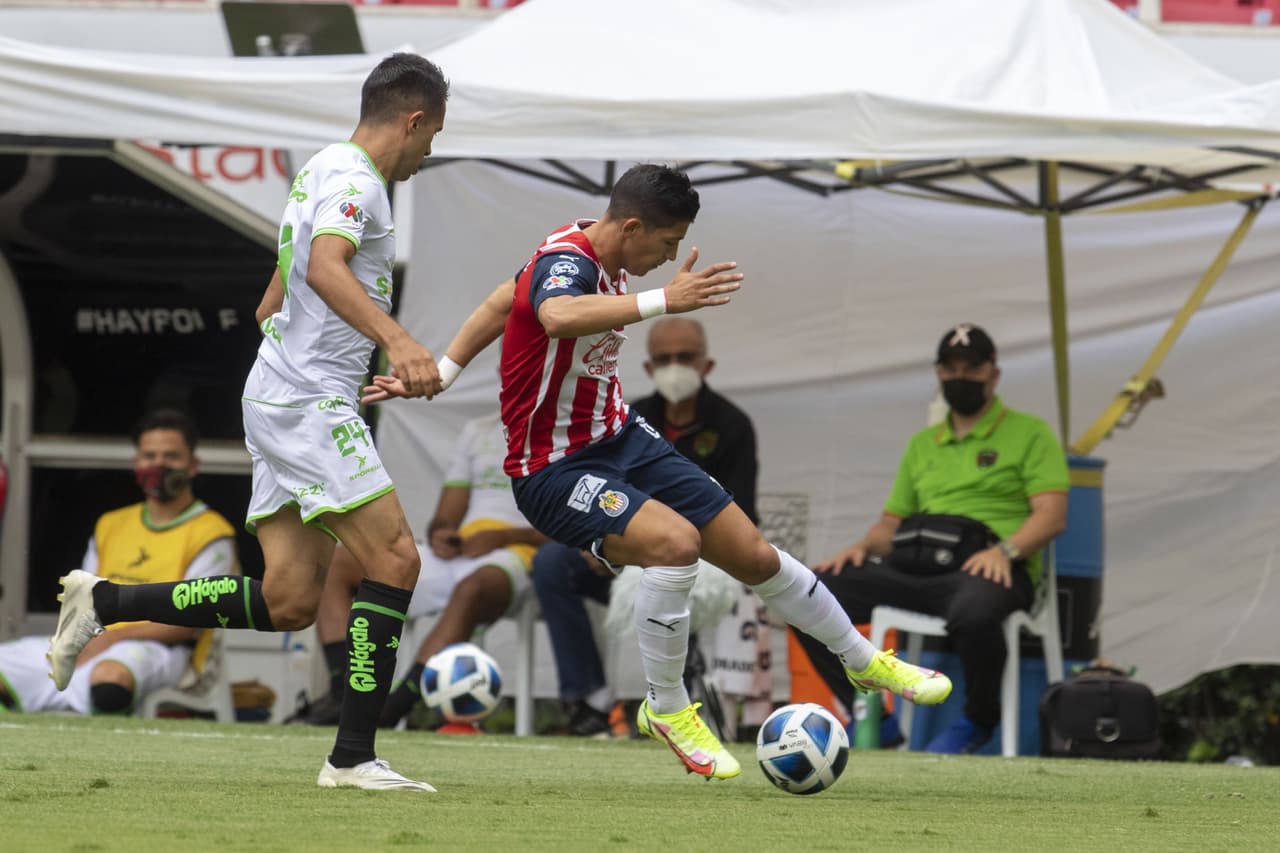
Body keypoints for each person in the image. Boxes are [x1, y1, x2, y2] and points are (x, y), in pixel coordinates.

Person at [365, 163, 952, 780]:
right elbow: (556, 315)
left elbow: (501, 298)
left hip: (619, 437)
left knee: (753, 553)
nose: (670, 257)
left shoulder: (601, 253)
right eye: (667, 244)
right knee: (677, 545)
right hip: (553, 469)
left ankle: (861, 660)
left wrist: (447, 371)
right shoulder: (568, 260)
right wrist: (664, 300)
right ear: (634, 225)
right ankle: (667, 707)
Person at [47, 52, 450, 792]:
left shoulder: (322, 167)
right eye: (433, 136)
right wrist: (395, 338)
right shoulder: (362, 180)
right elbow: (326, 268)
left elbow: (281, 288)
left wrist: (307, 346)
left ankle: (103, 601)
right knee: (395, 560)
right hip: (305, 396)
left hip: (279, 387)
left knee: (290, 598)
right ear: (414, 117)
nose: (430, 152)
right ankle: (353, 757)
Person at [793, 323, 1069, 754]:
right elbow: (890, 525)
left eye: (971, 368)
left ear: (993, 374)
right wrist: (862, 548)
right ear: (938, 374)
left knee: (976, 613)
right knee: (806, 593)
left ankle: (978, 720)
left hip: (989, 567)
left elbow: (1052, 516)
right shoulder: (923, 443)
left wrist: (1005, 551)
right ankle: (871, 714)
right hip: (917, 568)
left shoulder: (1030, 433)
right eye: (951, 368)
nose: (961, 377)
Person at [530, 316, 759, 737]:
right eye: (664, 358)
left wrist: (649, 546)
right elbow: (605, 492)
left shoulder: (732, 426)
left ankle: (677, 703)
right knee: (551, 564)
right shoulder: (626, 419)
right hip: (622, 548)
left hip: (697, 558)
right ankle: (590, 700)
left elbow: (742, 517)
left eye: (685, 357)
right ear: (649, 367)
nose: (675, 366)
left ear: (707, 364)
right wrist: (598, 541)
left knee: (679, 563)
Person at [297, 410, 546, 729]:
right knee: (341, 561)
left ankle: (395, 707)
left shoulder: (565, 431)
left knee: (473, 587)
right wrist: (443, 537)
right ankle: (342, 689)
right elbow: (444, 520)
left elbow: (572, 527)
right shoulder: (479, 430)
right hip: (464, 551)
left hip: (519, 555)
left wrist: (506, 536)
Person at [0, 410, 236, 715]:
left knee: (110, 678)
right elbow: (84, 599)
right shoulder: (111, 523)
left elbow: (187, 625)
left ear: (193, 466)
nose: (159, 465)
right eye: (149, 455)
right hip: (97, 639)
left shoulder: (212, 532)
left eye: (171, 456)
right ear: (137, 463)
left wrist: (112, 638)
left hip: (163, 650)